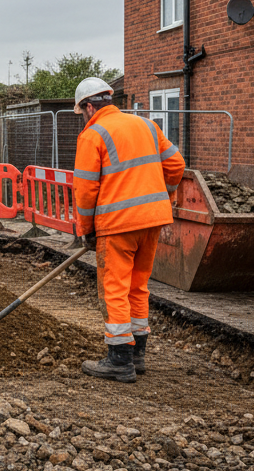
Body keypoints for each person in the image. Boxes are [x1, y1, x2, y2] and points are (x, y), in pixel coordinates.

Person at [71, 77, 185, 383]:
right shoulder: (146, 126)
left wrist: (86, 229)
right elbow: (176, 165)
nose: (83, 117)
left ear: (90, 106)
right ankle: (137, 355)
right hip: (152, 220)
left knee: (115, 289)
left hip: (118, 225)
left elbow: (84, 190)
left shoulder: (93, 134)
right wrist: (164, 196)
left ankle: (119, 360)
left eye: (82, 112)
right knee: (137, 285)